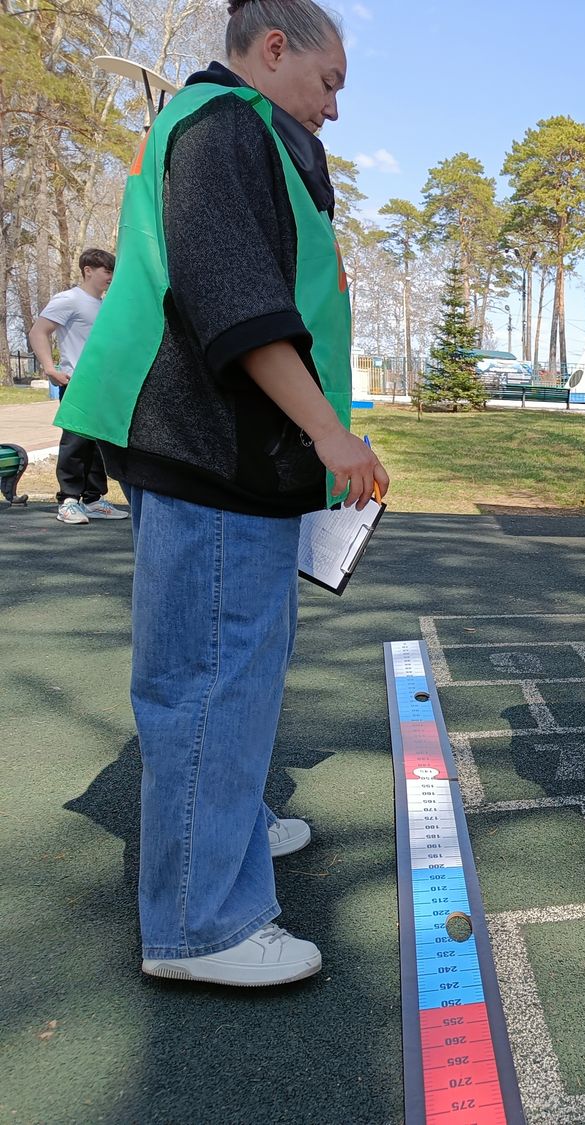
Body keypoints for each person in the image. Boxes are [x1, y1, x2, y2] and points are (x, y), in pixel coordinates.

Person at [54, 0, 386, 988]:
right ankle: (202, 923)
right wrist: (329, 431)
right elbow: (236, 303)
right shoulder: (223, 127)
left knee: (240, 660)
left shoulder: (238, 131)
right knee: (209, 673)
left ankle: (224, 826)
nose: (334, 106)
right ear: (273, 49)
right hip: (211, 448)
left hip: (230, 452)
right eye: (329, 82)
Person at [28, 249, 126, 524]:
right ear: (88, 271)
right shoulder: (69, 299)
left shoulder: (105, 305)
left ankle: (93, 500)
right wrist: (50, 369)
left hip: (102, 385)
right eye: (107, 271)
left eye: (112, 271)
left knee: (97, 444)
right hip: (77, 382)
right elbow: (38, 331)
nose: (110, 276)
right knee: (76, 442)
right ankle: (68, 501)